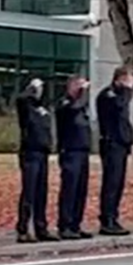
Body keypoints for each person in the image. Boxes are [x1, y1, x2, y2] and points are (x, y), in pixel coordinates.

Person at [15, 77, 57, 244]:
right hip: (30, 152)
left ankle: (41, 227)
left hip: (42, 152)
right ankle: (23, 228)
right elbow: (21, 99)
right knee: (29, 192)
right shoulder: (26, 106)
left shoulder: (42, 108)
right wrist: (30, 89)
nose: (40, 92)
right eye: (37, 89)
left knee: (42, 192)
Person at [96, 66, 133, 236]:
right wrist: (127, 90)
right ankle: (107, 219)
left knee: (118, 183)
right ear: (119, 79)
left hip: (121, 143)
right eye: (128, 81)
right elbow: (119, 106)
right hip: (111, 142)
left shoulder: (120, 94)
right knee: (111, 183)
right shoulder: (108, 94)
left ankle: (114, 215)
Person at [56, 76, 93, 239]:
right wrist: (84, 92)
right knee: (70, 189)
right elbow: (74, 108)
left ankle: (75, 224)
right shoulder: (65, 104)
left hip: (82, 151)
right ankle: (65, 224)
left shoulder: (82, 108)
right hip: (70, 150)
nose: (81, 89)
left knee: (81, 190)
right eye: (78, 86)